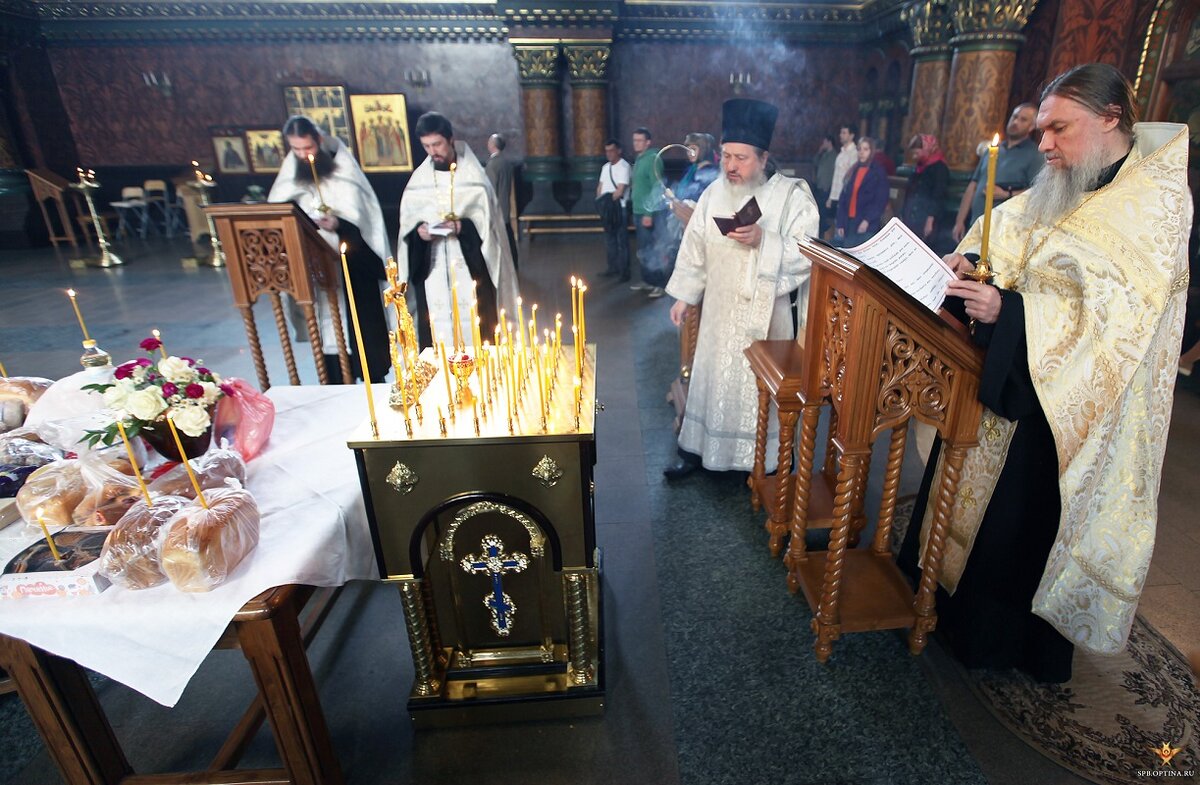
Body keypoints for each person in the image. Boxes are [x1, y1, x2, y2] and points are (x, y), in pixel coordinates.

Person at [899, 63, 1191, 683]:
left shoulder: (1153, 203)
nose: (1047, 144)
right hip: (1006, 376)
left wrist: (1013, 312)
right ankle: (941, 606)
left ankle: (1002, 643)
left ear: (1111, 119)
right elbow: (1007, 232)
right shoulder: (1063, 180)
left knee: (1023, 522)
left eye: (1060, 128)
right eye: (1043, 132)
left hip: (1068, 408)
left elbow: (1126, 317)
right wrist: (969, 261)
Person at [662, 99, 820, 479]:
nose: (731, 166)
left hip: (763, 319)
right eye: (727, 156)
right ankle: (697, 451)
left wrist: (764, 240)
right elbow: (696, 245)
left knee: (753, 393)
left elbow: (809, 252)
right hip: (717, 312)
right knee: (711, 380)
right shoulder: (714, 193)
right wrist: (685, 295)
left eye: (742, 158)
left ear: (763, 158)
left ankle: (758, 463)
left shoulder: (792, 197)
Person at [268, 115, 391, 383]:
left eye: (308, 148)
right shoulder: (289, 180)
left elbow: (366, 222)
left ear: (319, 141)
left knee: (365, 344)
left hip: (355, 269)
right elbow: (276, 214)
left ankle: (372, 384)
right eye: (297, 150)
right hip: (314, 272)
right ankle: (334, 382)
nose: (304, 155)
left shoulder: (345, 173)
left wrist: (338, 223)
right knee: (329, 343)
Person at [396, 112, 519, 348]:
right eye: (427, 146)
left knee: (477, 329)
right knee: (436, 333)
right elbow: (407, 232)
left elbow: (491, 233)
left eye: (438, 144)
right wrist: (419, 234)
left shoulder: (474, 180)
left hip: (470, 269)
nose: (433, 152)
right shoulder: (418, 183)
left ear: (451, 139)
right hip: (433, 272)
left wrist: (463, 227)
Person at [952, 102, 1043, 242]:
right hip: (975, 223)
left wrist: (1006, 194)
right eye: (1015, 117)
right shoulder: (992, 150)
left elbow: (1038, 193)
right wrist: (959, 221)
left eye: (1023, 119)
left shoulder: (1035, 155)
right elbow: (973, 185)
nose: (1016, 122)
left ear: (1032, 126)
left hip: (1003, 231)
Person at [662, 132, 720, 280]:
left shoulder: (710, 173)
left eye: (693, 148)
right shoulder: (691, 170)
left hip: (699, 229)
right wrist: (672, 197)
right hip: (683, 226)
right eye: (687, 149)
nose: (689, 152)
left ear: (704, 149)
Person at [630, 127, 667, 298]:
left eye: (639, 140)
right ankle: (647, 280)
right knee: (643, 249)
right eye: (634, 140)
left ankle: (660, 284)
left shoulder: (653, 159)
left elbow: (657, 187)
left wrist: (648, 213)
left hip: (648, 212)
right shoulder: (640, 159)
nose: (636, 143)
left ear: (648, 142)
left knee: (652, 249)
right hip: (638, 211)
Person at [834, 136, 889, 246]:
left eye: (865, 149)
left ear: (871, 151)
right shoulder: (853, 170)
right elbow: (843, 199)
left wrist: (867, 220)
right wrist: (840, 222)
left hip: (866, 223)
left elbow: (880, 201)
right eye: (859, 149)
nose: (862, 152)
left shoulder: (878, 172)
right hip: (849, 222)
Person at [901, 134, 950, 249]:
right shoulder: (920, 166)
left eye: (917, 153)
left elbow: (938, 195)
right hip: (914, 215)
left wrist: (930, 219)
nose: (914, 157)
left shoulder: (940, 168)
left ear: (926, 149)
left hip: (928, 218)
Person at [596, 138, 632, 280]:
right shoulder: (605, 167)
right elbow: (600, 186)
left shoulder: (624, 167)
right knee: (610, 239)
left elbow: (620, 190)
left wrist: (605, 202)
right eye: (607, 151)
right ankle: (612, 267)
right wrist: (600, 202)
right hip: (607, 208)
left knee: (621, 241)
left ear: (619, 151)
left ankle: (624, 272)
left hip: (619, 208)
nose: (609, 154)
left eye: (611, 151)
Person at [485, 132, 519, 270]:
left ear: (492, 145)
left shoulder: (492, 165)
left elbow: (491, 189)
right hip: (506, 205)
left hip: (497, 207)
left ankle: (502, 266)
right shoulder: (506, 163)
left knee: (500, 238)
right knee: (509, 236)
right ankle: (514, 263)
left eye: (489, 141)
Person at [826, 124, 857, 224]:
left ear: (851, 136)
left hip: (846, 197)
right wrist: (831, 198)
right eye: (841, 133)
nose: (841, 135)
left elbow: (853, 178)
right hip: (837, 197)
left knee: (843, 226)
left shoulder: (854, 154)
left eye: (844, 133)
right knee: (836, 225)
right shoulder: (841, 154)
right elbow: (836, 177)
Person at [812, 134, 837, 234]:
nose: (823, 144)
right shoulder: (824, 154)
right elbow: (815, 162)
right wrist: (819, 151)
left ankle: (823, 233)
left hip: (826, 188)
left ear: (829, 142)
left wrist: (829, 187)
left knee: (823, 213)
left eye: (824, 142)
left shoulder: (835, 156)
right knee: (818, 212)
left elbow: (833, 173)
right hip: (819, 187)